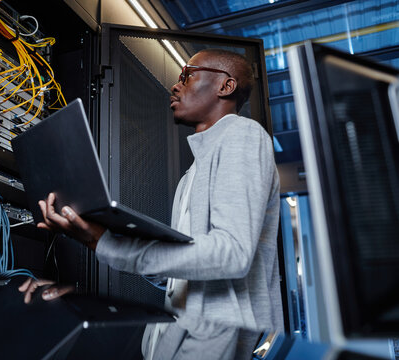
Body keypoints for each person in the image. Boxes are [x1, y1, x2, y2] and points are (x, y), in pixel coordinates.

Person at [21, 48, 283, 360]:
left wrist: (110, 245)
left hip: (211, 344)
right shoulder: (192, 174)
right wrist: (98, 239)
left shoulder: (243, 135)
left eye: (187, 75)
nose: (176, 85)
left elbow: (232, 253)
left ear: (225, 86)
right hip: (173, 340)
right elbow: (178, 278)